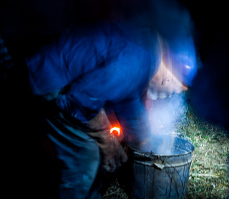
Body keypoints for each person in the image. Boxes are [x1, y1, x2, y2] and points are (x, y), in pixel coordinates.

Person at [25, 19, 197, 198]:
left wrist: (143, 140)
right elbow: (80, 101)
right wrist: (106, 141)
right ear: (169, 77)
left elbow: (126, 96)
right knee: (87, 155)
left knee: (100, 146)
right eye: (176, 90)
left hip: (69, 80)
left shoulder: (149, 51)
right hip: (52, 78)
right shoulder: (139, 59)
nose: (171, 94)